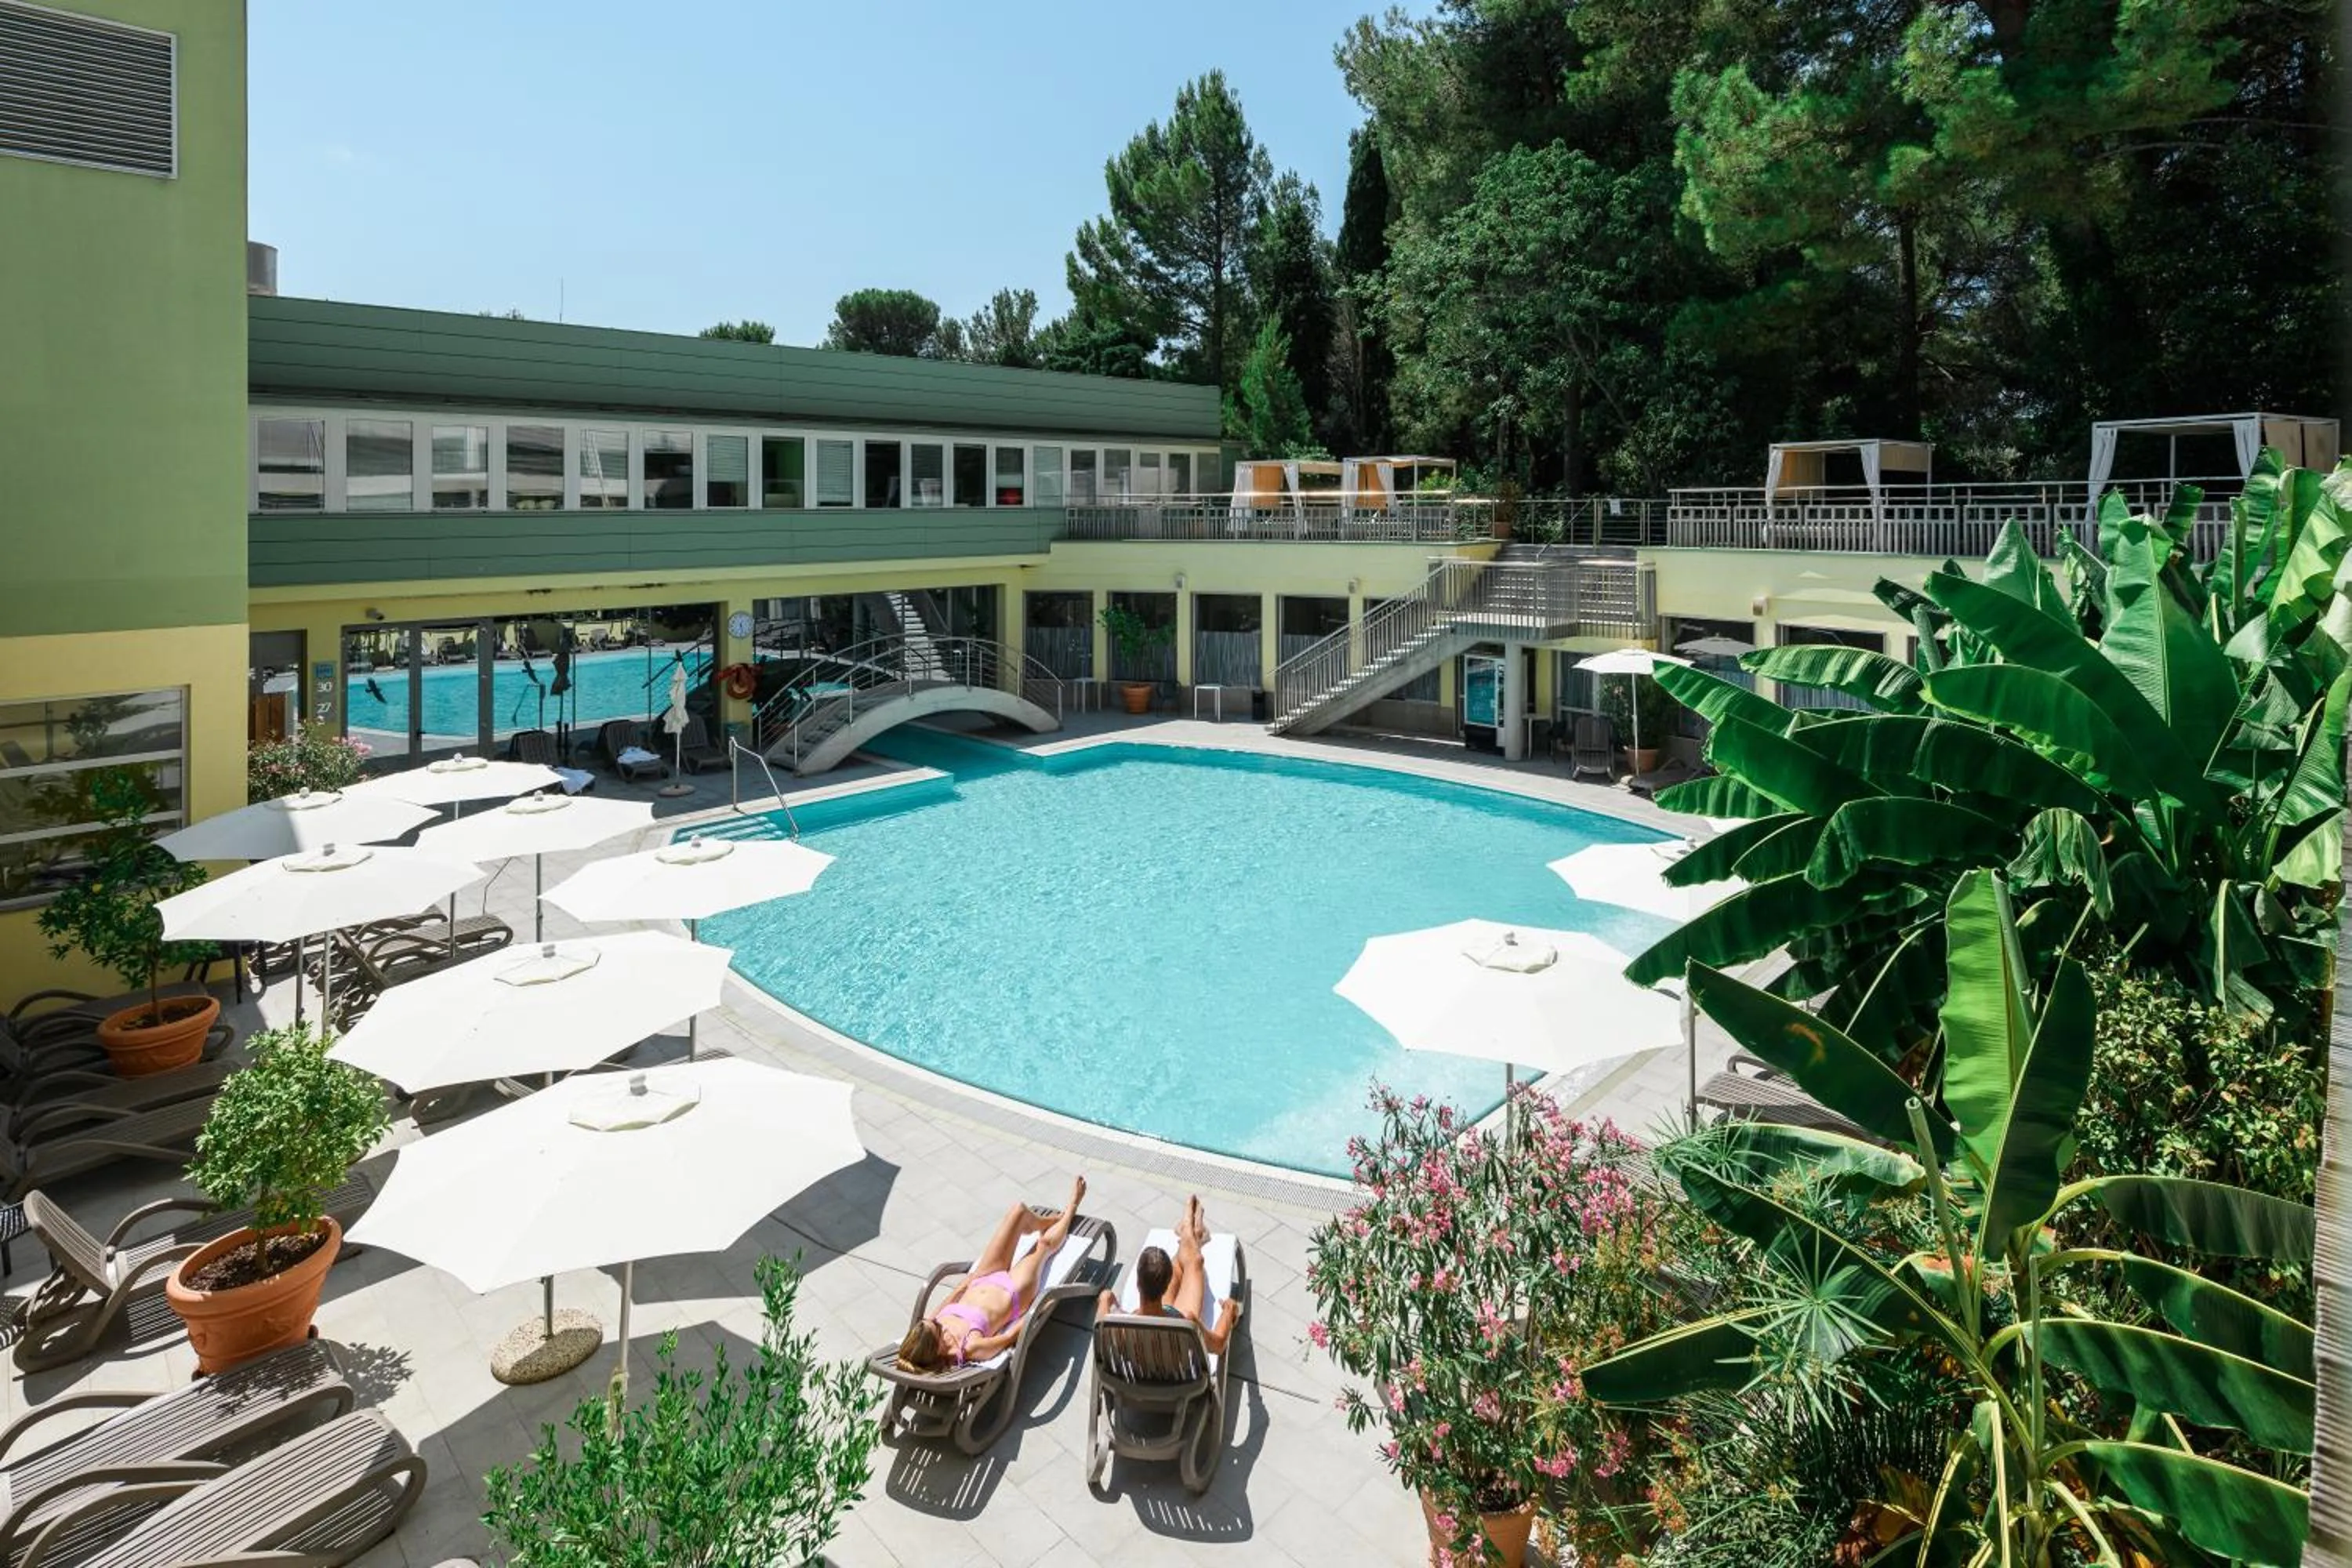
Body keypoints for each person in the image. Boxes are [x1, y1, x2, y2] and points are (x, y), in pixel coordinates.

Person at [897, 1177, 1087, 1373]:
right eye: (937, 1328)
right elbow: (1009, 1338)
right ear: (936, 1348)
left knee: (1018, 1211)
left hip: (983, 1278)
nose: (938, 1322)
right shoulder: (969, 1347)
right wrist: (1038, 1309)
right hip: (1014, 1292)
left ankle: (1045, 1222)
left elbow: (954, 1297)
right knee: (1044, 1246)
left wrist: (971, 1279)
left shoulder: (929, 1326)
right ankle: (1072, 1207)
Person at [1098, 1196, 1240, 1356]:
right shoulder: (1186, 1324)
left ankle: (1191, 1236)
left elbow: (1102, 1324)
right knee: (1195, 1263)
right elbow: (1219, 1345)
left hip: (1138, 1372)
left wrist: (1104, 1298)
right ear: (1167, 1286)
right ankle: (1192, 1236)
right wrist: (1229, 1309)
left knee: (1185, 1263)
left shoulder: (1118, 1329)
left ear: (1137, 1283)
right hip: (1177, 1351)